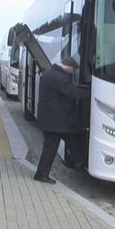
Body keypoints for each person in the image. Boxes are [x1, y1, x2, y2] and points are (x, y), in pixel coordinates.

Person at [33, 56, 90, 184]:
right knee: (51, 147)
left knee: (73, 137)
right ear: (69, 68)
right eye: (73, 70)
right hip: (54, 121)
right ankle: (41, 174)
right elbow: (73, 93)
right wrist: (92, 93)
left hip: (53, 119)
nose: (73, 73)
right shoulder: (59, 78)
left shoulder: (51, 73)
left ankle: (79, 162)